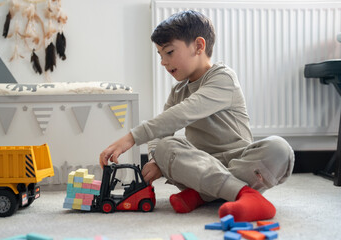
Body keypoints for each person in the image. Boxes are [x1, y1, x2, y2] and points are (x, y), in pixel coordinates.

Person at [99, 10, 294, 222]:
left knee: (279, 148)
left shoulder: (223, 77)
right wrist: (155, 159)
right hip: (200, 166)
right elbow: (162, 132)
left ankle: (205, 195)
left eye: (169, 52)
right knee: (165, 147)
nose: (163, 62)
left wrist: (131, 138)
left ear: (199, 46)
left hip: (240, 159)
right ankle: (232, 193)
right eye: (160, 55)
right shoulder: (177, 91)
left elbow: (184, 112)